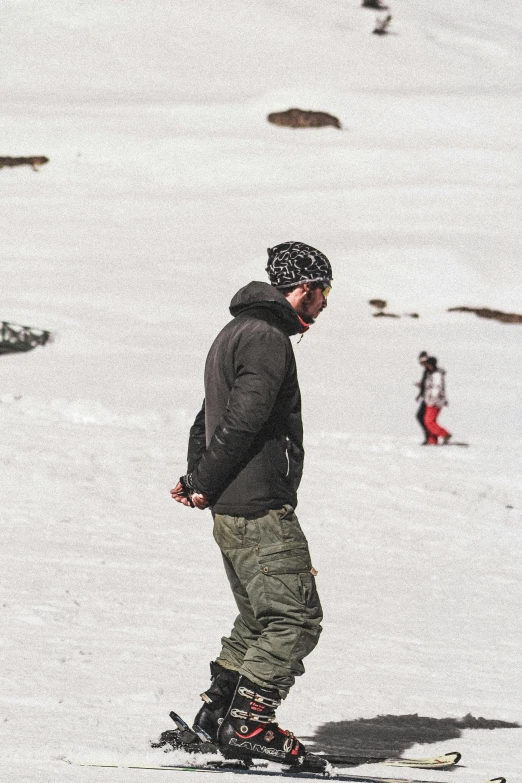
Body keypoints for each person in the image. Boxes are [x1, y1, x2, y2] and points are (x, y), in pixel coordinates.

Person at [170, 242, 332, 769]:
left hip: (233, 504)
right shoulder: (266, 338)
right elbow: (242, 419)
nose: (326, 302)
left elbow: (206, 418)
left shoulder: (236, 332)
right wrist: (205, 481)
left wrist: (200, 480)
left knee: (259, 618)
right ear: (302, 289)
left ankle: (218, 714)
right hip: (259, 505)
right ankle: (250, 725)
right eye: (324, 291)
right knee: (295, 619)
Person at [422, 356, 451, 445]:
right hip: (430, 400)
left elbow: (437, 387)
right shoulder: (431, 373)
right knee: (430, 421)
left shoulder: (436, 374)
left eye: (429, 365)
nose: (428, 366)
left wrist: (433, 397)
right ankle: (432, 441)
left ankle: (445, 434)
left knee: (428, 421)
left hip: (435, 401)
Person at [415, 351, 430, 444]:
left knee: (421, 416)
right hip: (426, 396)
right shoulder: (426, 370)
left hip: (430, 397)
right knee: (422, 417)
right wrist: (420, 394)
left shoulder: (430, 370)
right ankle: (429, 437)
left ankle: (429, 437)